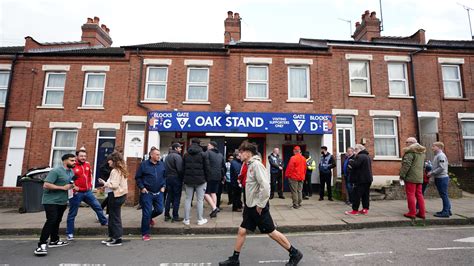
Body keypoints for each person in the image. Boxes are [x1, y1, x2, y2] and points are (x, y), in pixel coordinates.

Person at [219, 141, 303, 266]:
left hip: (258, 207)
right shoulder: (249, 165)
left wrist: (260, 205)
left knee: (271, 232)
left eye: (241, 152)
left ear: (248, 153)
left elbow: (265, 186)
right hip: (250, 205)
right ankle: (234, 259)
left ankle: (294, 253)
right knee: (242, 230)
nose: (239, 154)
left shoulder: (256, 165)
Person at [34, 153, 75, 256]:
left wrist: (73, 187)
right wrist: (62, 188)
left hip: (62, 201)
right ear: (65, 161)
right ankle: (41, 245)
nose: (74, 162)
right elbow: (46, 184)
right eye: (72, 160)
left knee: (57, 220)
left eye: (74, 161)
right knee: (51, 220)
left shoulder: (71, 172)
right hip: (51, 201)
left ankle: (54, 240)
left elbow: (69, 184)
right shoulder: (56, 171)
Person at [66, 149, 107, 241]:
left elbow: (89, 176)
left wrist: (90, 185)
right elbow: (68, 179)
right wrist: (74, 187)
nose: (83, 158)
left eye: (84, 156)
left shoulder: (87, 164)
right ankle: (69, 233)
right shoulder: (73, 166)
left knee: (97, 206)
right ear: (77, 157)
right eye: (81, 156)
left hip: (87, 191)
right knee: (73, 213)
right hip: (77, 193)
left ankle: (104, 221)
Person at [135, 147, 166, 241]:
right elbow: (138, 177)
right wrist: (142, 187)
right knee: (146, 213)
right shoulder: (144, 165)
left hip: (159, 192)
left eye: (159, 155)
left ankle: (149, 218)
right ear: (151, 155)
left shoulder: (162, 164)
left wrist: (164, 186)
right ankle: (145, 233)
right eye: (157, 155)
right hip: (147, 192)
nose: (158, 156)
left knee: (160, 210)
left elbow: (165, 176)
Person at [98, 152, 128, 247]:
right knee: (112, 216)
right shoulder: (120, 170)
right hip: (119, 195)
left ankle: (117, 239)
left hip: (116, 195)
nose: (108, 162)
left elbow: (114, 185)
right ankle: (112, 237)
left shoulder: (115, 171)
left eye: (109, 160)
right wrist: (106, 184)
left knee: (114, 217)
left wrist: (104, 183)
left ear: (114, 160)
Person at [183, 138, 210, 226]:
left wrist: (184, 178)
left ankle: (186, 220)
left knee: (188, 199)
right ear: (199, 144)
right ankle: (200, 219)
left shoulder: (186, 155)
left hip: (188, 180)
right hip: (201, 180)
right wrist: (206, 178)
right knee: (200, 200)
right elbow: (207, 168)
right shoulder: (203, 154)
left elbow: (183, 168)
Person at [399, 137, 426, 219]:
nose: (406, 144)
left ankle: (412, 213)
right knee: (419, 195)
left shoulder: (410, 153)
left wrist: (402, 175)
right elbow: (423, 166)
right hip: (419, 177)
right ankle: (422, 213)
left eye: (407, 142)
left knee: (410, 194)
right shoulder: (422, 153)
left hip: (411, 177)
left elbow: (406, 165)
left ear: (412, 143)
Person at [345, 144, 373, 215]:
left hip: (360, 179)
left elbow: (354, 165)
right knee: (365, 195)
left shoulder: (360, 156)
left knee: (356, 195)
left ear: (360, 149)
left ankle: (355, 210)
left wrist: (351, 162)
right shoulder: (367, 156)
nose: (354, 151)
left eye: (356, 150)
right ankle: (365, 209)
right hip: (368, 179)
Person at [428, 142, 452, 218]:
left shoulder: (441, 155)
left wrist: (432, 173)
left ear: (439, 147)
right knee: (444, 194)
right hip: (439, 177)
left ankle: (445, 212)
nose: (432, 148)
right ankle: (447, 210)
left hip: (442, 178)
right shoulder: (437, 155)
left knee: (444, 195)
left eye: (433, 146)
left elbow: (442, 167)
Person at [204, 141, 226, 218]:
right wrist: (223, 176)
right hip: (218, 176)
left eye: (208, 145)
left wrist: (206, 174)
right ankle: (214, 209)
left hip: (209, 176)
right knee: (213, 192)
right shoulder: (220, 155)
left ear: (212, 146)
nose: (207, 146)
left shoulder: (207, 153)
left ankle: (214, 208)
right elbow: (223, 167)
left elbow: (206, 165)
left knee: (205, 193)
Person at [164, 143, 184, 222]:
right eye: (179, 148)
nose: (180, 149)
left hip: (168, 178)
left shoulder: (167, 157)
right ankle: (175, 216)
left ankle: (166, 215)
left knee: (169, 197)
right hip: (176, 178)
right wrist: (182, 178)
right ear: (176, 148)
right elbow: (180, 169)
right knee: (176, 198)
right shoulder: (177, 157)